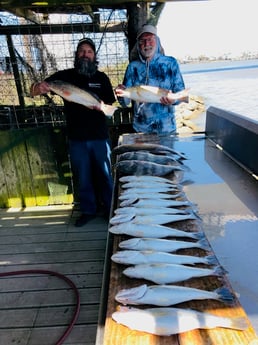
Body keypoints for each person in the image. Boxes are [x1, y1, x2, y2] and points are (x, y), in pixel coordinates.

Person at [30, 38, 116, 227]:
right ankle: (88, 211)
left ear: (94, 56)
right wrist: (39, 87)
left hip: (100, 137)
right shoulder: (64, 77)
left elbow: (110, 104)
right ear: (76, 55)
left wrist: (101, 107)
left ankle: (110, 210)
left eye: (89, 52)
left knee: (105, 175)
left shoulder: (102, 78)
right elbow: (33, 91)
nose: (85, 54)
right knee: (83, 176)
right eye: (82, 51)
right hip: (76, 138)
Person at [115, 24, 188, 135]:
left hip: (167, 131)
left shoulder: (170, 63)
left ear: (157, 41)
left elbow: (182, 94)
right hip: (140, 132)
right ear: (138, 45)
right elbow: (125, 102)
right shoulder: (132, 68)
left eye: (150, 39)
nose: (146, 44)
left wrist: (173, 100)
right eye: (142, 41)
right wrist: (121, 94)